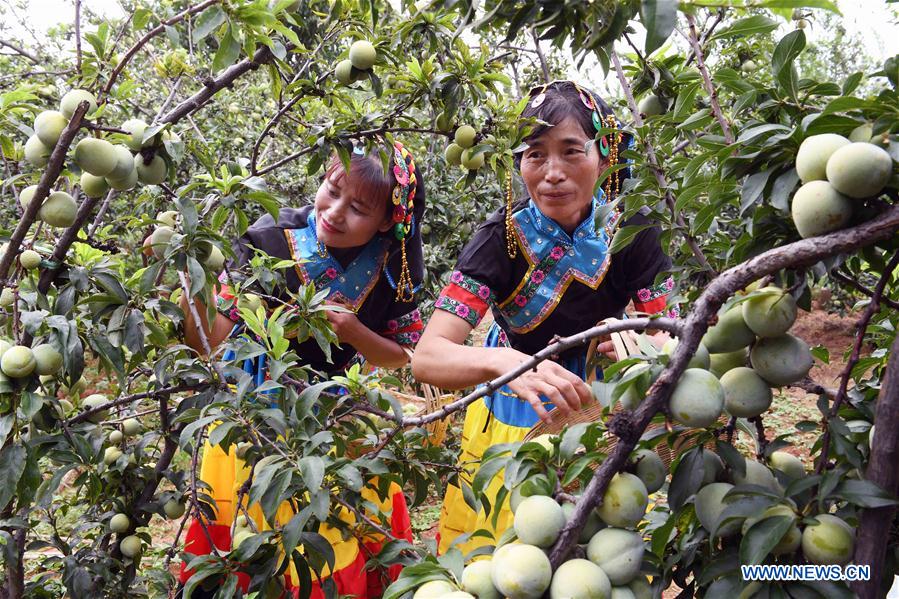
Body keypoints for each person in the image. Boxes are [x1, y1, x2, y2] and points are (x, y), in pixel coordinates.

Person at [411, 81, 677, 555]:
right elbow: (429, 357)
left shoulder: (633, 230)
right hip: (517, 403)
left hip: (598, 405)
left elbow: (671, 332)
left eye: (572, 151)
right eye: (535, 154)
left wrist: (644, 347)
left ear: (605, 158)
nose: (552, 172)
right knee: (510, 552)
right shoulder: (501, 239)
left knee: (591, 552)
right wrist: (506, 365)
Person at [176, 141, 426, 598]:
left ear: (388, 221)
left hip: (338, 418)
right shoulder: (270, 240)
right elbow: (209, 342)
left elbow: (404, 354)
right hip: (250, 416)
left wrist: (353, 332)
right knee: (251, 531)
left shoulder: (394, 267)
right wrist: (192, 285)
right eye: (332, 190)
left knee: (336, 533)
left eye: (357, 208)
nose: (334, 212)